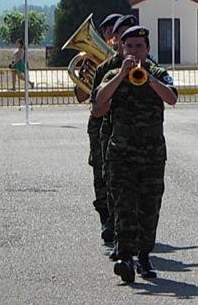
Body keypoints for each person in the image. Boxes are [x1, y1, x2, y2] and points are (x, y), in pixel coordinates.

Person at [94, 26, 177, 283]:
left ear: (147, 49)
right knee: (124, 207)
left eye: (139, 46)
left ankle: (144, 256)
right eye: (128, 46)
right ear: (121, 48)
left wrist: (149, 78)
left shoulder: (158, 73)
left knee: (149, 208)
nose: (134, 51)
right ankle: (125, 258)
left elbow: (172, 98)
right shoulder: (112, 74)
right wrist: (121, 75)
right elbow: (99, 103)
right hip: (121, 154)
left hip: (152, 154)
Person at [91, 13, 138, 260]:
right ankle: (112, 226)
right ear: (117, 40)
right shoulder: (105, 69)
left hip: (139, 137)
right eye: (123, 36)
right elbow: (94, 105)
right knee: (109, 182)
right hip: (109, 133)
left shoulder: (149, 68)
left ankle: (130, 236)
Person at [73, 13, 121, 245]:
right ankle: (106, 219)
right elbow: (80, 96)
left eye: (114, 32)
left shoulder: (129, 59)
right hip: (99, 123)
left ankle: (122, 221)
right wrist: (85, 76)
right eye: (106, 33)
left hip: (122, 122)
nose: (110, 37)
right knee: (100, 172)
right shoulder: (91, 61)